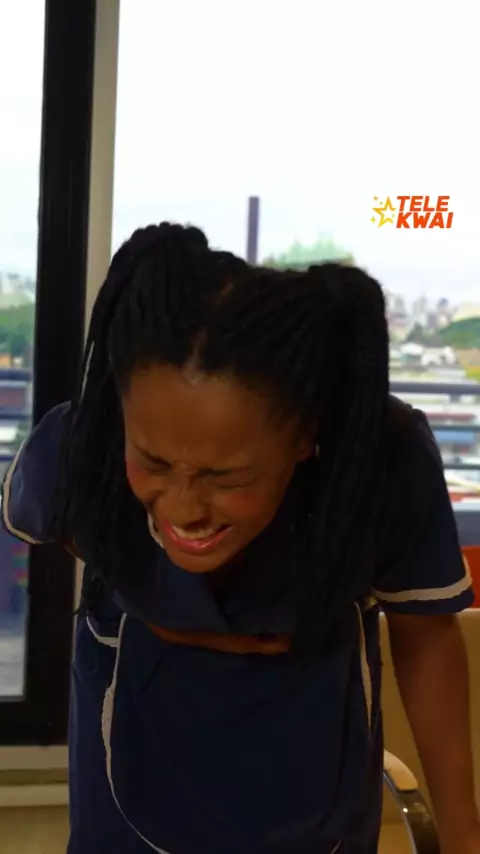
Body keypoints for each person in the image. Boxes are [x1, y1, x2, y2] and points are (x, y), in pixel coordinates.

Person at [2, 222, 479, 854]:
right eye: (153, 462)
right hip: (126, 799)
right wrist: (161, 609)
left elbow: (427, 637)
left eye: (225, 477)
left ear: (307, 438)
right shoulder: (84, 444)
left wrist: (464, 835)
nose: (183, 507)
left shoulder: (379, 459)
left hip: (313, 793)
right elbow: (55, 520)